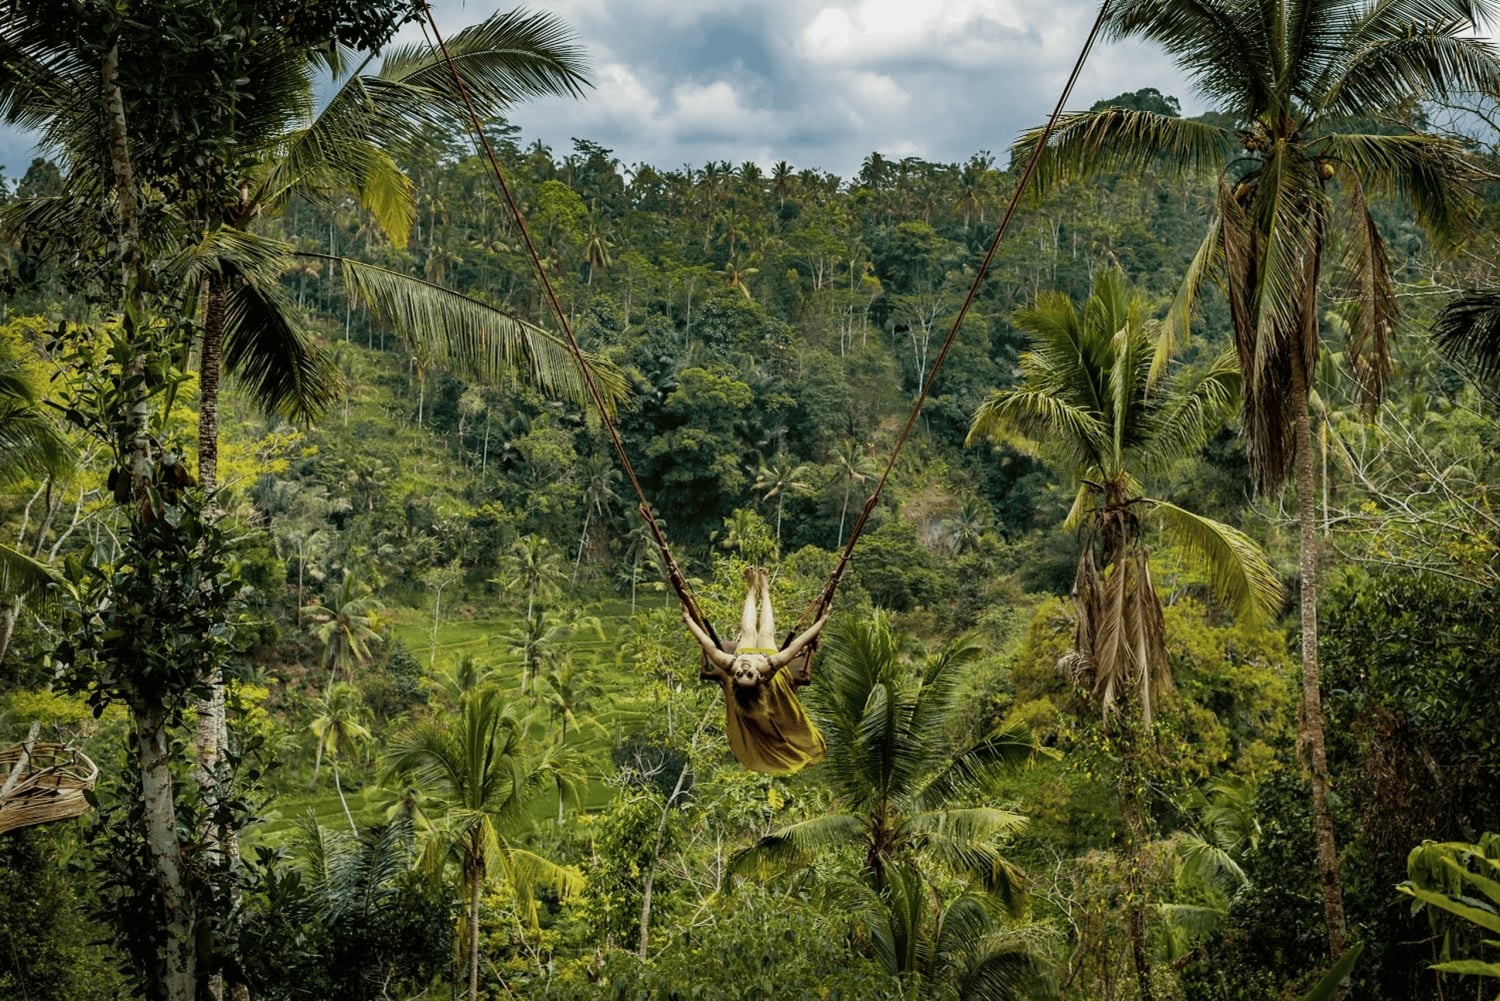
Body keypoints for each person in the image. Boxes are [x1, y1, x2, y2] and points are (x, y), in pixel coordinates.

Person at [682, 566, 829, 774]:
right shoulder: (765, 668)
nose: (744, 669)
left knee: (749, 631)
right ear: (758, 677)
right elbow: (797, 644)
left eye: (740, 675)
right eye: (748, 674)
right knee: (766, 633)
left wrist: (688, 619)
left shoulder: (731, 664)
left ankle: (752, 589)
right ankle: (765, 591)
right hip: (767, 658)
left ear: (734, 676)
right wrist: (821, 622)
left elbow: (705, 642)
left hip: (746, 650)